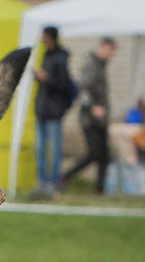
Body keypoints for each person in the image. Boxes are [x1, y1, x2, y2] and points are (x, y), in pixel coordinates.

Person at [62, 37, 117, 194]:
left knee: (105, 156)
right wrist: (93, 107)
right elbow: (84, 89)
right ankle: (65, 176)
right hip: (90, 120)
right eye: (111, 51)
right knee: (95, 153)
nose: (111, 56)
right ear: (104, 47)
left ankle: (100, 190)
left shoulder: (101, 65)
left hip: (101, 120)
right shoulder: (91, 64)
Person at [32, 26, 72, 195]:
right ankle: (42, 181)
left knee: (54, 149)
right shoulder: (45, 56)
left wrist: (46, 78)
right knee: (40, 148)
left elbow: (64, 85)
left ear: (50, 37)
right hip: (41, 110)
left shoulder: (60, 59)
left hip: (53, 112)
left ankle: (54, 182)